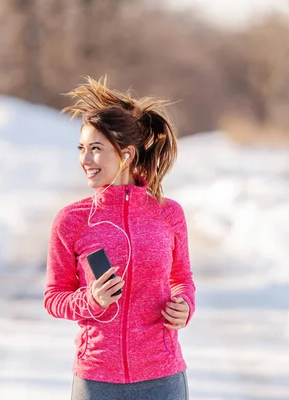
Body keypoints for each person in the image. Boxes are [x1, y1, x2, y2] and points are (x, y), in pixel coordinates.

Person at [44, 77, 196, 400]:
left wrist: (185, 305)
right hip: (96, 378)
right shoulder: (72, 221)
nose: (85, 160)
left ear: (126, 155)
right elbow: (54, 296)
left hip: (162, 376)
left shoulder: (168, 215)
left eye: (96, 150)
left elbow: (182, 279)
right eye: (82, 149)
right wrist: (90, 300)